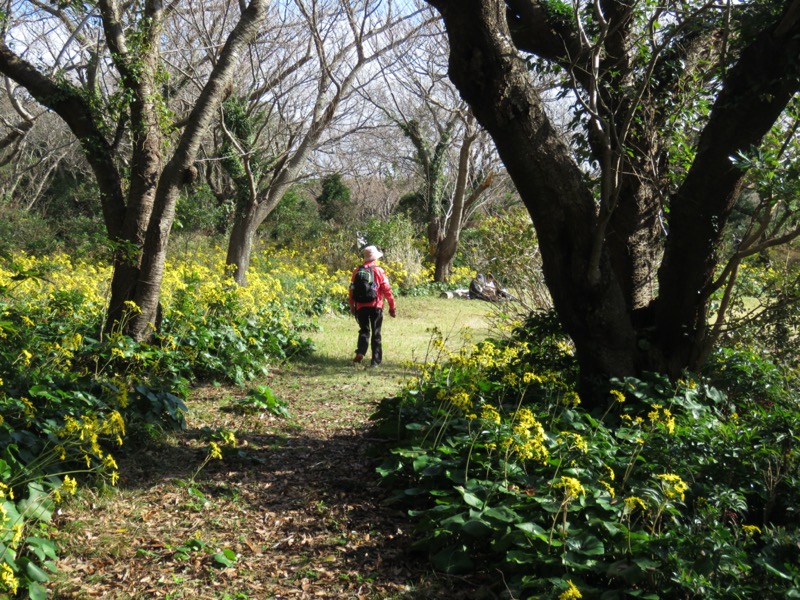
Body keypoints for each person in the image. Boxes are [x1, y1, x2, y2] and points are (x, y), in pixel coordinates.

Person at [349, 245, 396, 367]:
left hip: (361, 306)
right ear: (375, 258)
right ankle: (375, 360)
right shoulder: (379, 270)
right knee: (376, 332)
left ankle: (360, 352)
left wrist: (352, 306)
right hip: (376, 305)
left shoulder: (357, 271)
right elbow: (387, 290)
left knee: (364, 330)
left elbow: (351, 290)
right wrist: (392, 306)